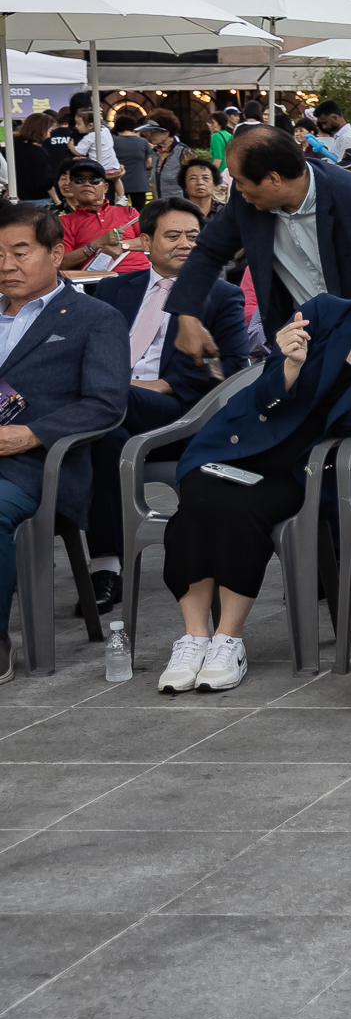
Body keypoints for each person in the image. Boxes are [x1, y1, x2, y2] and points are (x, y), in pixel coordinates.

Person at [152, 246, 351, 695]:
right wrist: (288, 364)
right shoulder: (324, 312)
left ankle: (229, 640)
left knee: (240, 507)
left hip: (303, 466)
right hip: (237, 442)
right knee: (202, 497)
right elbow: (264, 393)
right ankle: (194, 638)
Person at [79, 198, 250, 612]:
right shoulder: (114, 288)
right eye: (172, 235)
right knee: (107, 438)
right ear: (144, 240)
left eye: (195, 236)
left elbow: (226, 373)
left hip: (178, 415)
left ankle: (102, 560)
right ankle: (107, 564)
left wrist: (152, 386)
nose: (185, 244)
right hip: (116, 414)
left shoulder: (221, 296)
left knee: (103, 401)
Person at [166, 126, 351, 363]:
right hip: (299, 344)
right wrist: (187, 315)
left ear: (273, 180)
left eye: (241, 182)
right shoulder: (246, 201)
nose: (237, 189)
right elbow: (210, 251)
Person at [0, 203, 127, 677]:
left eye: (19, 252)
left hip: (38, 463)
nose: (6, 265)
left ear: (57, 254)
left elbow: (106, 404)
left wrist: (30, 434)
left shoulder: (94, 317)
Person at [54, 158, 143, 273]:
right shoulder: (64, 222)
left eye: (94, 180)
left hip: (142, 274)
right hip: (98, 281)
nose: (87, 184)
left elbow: (153, 242)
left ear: (105, 187)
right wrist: (94, 245)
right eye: (79, 180)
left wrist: (123, 245)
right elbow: (62, 263)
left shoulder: (128, 212)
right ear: (70, 186)